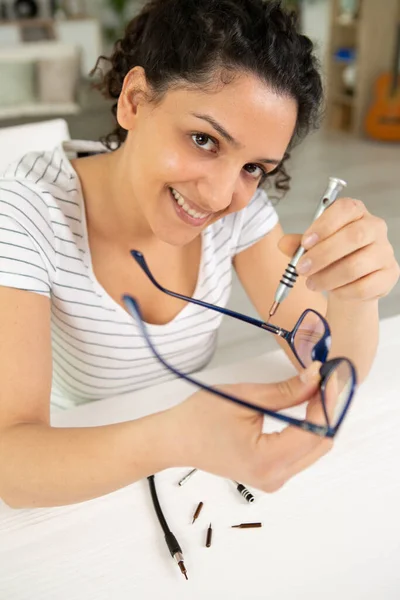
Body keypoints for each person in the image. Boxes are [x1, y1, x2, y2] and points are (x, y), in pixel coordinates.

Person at [0, 0, 398, 509]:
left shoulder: (240, 213)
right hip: (75, 467)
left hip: (189, 464)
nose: (217, 197)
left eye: (254, 166)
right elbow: (12, 465)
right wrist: (174, 439)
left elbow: (333, 361)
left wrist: (356, 293)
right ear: (135, 101)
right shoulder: (26, 210)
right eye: (203, 139)